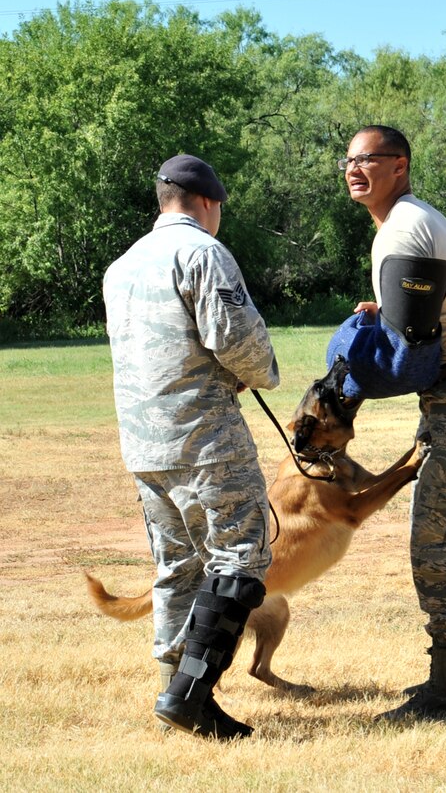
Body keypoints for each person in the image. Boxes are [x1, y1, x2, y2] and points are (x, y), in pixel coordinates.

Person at [328, 125, 446, 721]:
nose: (354, 169)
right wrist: (389, 314)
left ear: (400, 165)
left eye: (369, 159)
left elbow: (408, 355)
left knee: (435, 545)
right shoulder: (407, 223)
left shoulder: (406, 226)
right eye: (348, 160)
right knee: (444, 538)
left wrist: (351, 377)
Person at [103, 154, 280, 740]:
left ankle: (171, 686)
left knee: (177, 567)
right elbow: (239, 342)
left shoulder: (122, 265)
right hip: (206, 440)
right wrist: (262, 372)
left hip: (145, 445)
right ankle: (190, 696)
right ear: (210, 202)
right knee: (239, 559)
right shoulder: (202, 251)